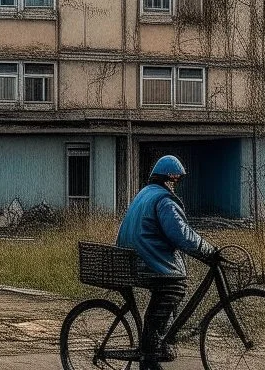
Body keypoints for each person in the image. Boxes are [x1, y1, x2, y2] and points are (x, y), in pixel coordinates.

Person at [116, 155, 219, 369]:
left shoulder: (145, 193)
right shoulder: (164, 200)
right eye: (176, 180)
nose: (176, 185)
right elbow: (180, 234)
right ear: (169, 179)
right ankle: (150, 352)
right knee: (173, 287)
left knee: (168, 294)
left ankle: (157, 341)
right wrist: (208, 250)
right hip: (146, 259)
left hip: (132, 257)